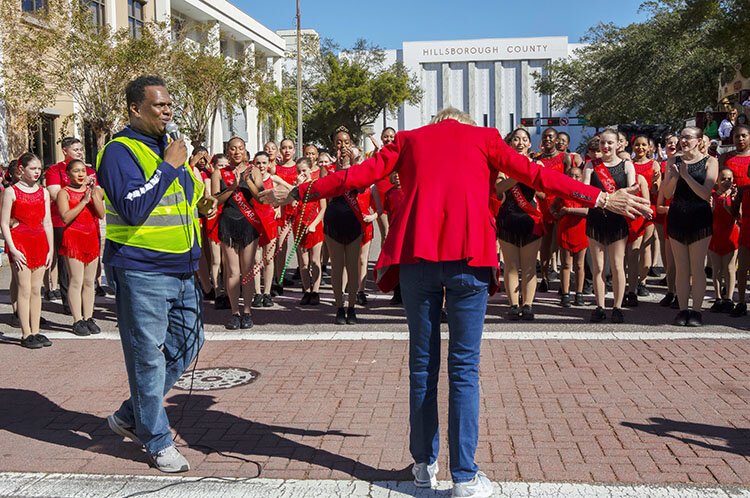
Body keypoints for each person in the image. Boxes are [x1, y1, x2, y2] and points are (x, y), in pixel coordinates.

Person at [260, 107, 649, 497]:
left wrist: (295, 191)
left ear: (437, 122)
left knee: (422, 365)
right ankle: (463, 476)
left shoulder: (411, 139)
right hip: (469, 258)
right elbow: (538, 175)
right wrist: (599, 197)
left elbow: (356, 176)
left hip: (418, 258)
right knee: (464, 368)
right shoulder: (484, 138)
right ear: (464, 122)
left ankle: (423, 465)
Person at [97, 75, 214, 473]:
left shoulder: (170, 148)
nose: (168, 111)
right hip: (141, 269)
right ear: (135, 108)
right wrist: (168, 167)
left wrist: (204, 200)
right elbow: (131, 207)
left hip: (182, 268)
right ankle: (156, 438)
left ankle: (133, 414)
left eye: (169, 105)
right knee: (147, 358)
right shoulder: (118, 151)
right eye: (159, 105)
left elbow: (184, 197)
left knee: (189, 342)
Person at [662, 127, 717, 326]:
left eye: (688, 137)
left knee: (697, 267)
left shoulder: (710, 161)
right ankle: (683, 309)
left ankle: (696, 311)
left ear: (698, 140)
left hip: (699, 217)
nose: (683, 141)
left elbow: (705, 193)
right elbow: (667, 194)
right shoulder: (673, 161)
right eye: (681, 137)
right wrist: (676, 177)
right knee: (681, 267)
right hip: (677, 215)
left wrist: (686, 176)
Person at [211, 137, 267, 329]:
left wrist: (247, 182)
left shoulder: (254, 170)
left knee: (248, 271)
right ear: (228, 151)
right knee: (233, 272)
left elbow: (260, 197)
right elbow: (216, 200)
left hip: (248, 224)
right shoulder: (219, 173)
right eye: (233, 149)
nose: (237, 152)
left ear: (245, 150)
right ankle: (235, 312)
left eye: (240, 148)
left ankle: (248, 312)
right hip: (228, 223)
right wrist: (233, 187)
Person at [1, 152, 53, 349]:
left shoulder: (44, 192)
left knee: (35, 289)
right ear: (21, 170)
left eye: (39, 169)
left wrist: (50, 249)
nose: (37, 172)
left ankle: (36, 330)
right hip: (20, 242)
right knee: (24, 289)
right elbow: (4, 224)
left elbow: (47, 222)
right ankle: (25, 333)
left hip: (39, 241)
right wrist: (13, 249)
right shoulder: (11, 192)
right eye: (33, 168)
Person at [584, 129, 636, 323]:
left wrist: (612, 198)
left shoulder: (626, 165)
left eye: (610, 143)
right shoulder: (590, 165)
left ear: (618, 145)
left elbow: (632, 190)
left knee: (617, 265)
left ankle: (617, 306)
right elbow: (584, 190)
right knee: (598, 267)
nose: (606, 147)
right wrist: (602, 199)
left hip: (617, 219)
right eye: (603, 143)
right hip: (596, 218)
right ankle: (599, 306)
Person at [496, 128, 543, 320]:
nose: (520, 143)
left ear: (530, 144)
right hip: (508, 217)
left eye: (524, 139)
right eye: (516, 139)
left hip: (529, 217)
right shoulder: (502, 165)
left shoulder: (537, 164)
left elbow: (544, 191)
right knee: (511, 265)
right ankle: (514, 304)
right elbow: (498, 190)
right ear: (510, 143)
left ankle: (528, 305)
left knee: (529, 265)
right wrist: (517, 175)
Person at [44, 137, 95, 308]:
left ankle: (85, 304)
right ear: (65, 151)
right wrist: (79, 189)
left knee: (88, 267)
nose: (80, 152)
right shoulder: (54, 170)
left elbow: (98, 196)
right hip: (63, 222)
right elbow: (54, 193)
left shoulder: (89, 170)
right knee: (67, 265)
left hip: (89, 222)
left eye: (81, 149)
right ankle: (68, 302)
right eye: (75, 149)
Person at [57, 159, 105, 336]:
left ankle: (89, 316)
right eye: (76, 171)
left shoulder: (93, 191)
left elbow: (101, 214)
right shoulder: (64, 193)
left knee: (89, 281)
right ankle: (77, 319)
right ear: (68, 174)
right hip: (74, 239)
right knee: (76, 280)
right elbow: (65, 217)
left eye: (83, 171)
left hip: (91, 238)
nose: (80, 174)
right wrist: (83, 201)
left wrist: (92, 195)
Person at [324, 128, 366, 325]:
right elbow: (329, 190)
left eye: (346, 142)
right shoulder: (328, 168)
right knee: (337, 267)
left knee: (352, 266)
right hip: (334, 219)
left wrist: (354, 165)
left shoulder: (357, 167)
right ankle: (339, 307)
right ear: (334, 145)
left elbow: (362, 187)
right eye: (339, 142)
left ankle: (352, 307)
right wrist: (341, 168)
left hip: (353, 219)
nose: (343, 146)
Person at [535, 127, 572, 292]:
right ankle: (543, 276)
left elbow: (569, 181)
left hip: (559, 203)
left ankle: (563, 280)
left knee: (560, 242)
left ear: (557, 139)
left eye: (550, 136)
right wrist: (538, 192)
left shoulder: (565, 158)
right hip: (543, 204)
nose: (548, 139)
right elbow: (533, 181)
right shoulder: (537, 159)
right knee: (545, 242)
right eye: (545, 137)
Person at [293, 157, 326, 305]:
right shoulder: (296, 188)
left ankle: (316, 291)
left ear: (310, 170)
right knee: (304, 262)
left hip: (314, 225)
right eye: (299, 171)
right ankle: (306, 290)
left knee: (315, 260)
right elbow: (293, 204)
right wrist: (298, 187)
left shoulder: (317, 185)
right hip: (300, 225)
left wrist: (314, 223)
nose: (302, 173)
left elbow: (323, 207)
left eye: (304, 170)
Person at [725, 124, 750, 316]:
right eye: (736, 136)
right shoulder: (727, 158)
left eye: (744, 136)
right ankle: (736, 299)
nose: (740, 139)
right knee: (733, 260)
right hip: (739, 217)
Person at [554, 167, 589, 307]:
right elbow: (553, 207)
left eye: (577, 176)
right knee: (566, 264)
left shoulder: (585, 193)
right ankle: (565, 293)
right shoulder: (563, 192)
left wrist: (568, 210)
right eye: (571, 176)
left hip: (581, 230)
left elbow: (587, 211)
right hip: (565, 230)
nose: (574, 179)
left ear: (582, 177)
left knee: (580, 264)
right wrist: (555, 214)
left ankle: (579, 293)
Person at [708, 167, 738, 313]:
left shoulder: (734, 196)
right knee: (716, 269)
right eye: (723, 179)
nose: (726, 181)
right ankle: (718, 297)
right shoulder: (712, 196)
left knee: (730, 268)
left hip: (731, 236)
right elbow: (706, 217)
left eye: (729, 179)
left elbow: (739, 216)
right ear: (717, 181)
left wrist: (728, 207)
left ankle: (729, 298)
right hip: (715, 236)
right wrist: (711, 210)